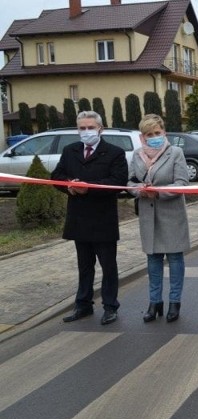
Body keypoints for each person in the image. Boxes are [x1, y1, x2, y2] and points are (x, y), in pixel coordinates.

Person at [51, 110, 128, 325]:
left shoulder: (114, 153)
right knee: (84, 266)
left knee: (108, 266)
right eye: (82, 128)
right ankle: (83, 304)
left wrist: (88, 189)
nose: (86, 132)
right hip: (79, 218)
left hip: (103, 219)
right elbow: (56, 176)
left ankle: (110, 306)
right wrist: (69, 186)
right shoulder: (70, 151)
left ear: (100, 129)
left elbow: (117, 182)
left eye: (90, 128)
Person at [128, 114, 190, 323]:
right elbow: (130, 182)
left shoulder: (176, 153)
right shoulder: (137, 155)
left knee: (174, 259)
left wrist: (159, 191)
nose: (153, 137)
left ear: (164, 132)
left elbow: (182, 183)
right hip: (148, 215)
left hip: (171, 214)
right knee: (153, 261)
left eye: (157, 133)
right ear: (142, 136)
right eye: (149, 134)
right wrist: (139, 191)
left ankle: (174, 302)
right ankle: (154, 302)